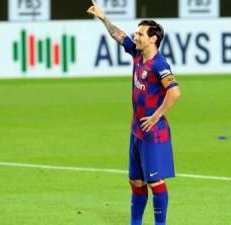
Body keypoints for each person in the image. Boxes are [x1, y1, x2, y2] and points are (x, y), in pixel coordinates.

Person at [87, 1, 181, 225]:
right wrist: (103, 17)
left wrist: (157, 116)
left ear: (153, 39)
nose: (135, 36)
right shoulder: (137, 55)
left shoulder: (160, 64)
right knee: (135, 182)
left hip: (153, 132)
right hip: (137, 130)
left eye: (140, 33)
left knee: (155, 182)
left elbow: (175, 92)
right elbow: (118, 35)